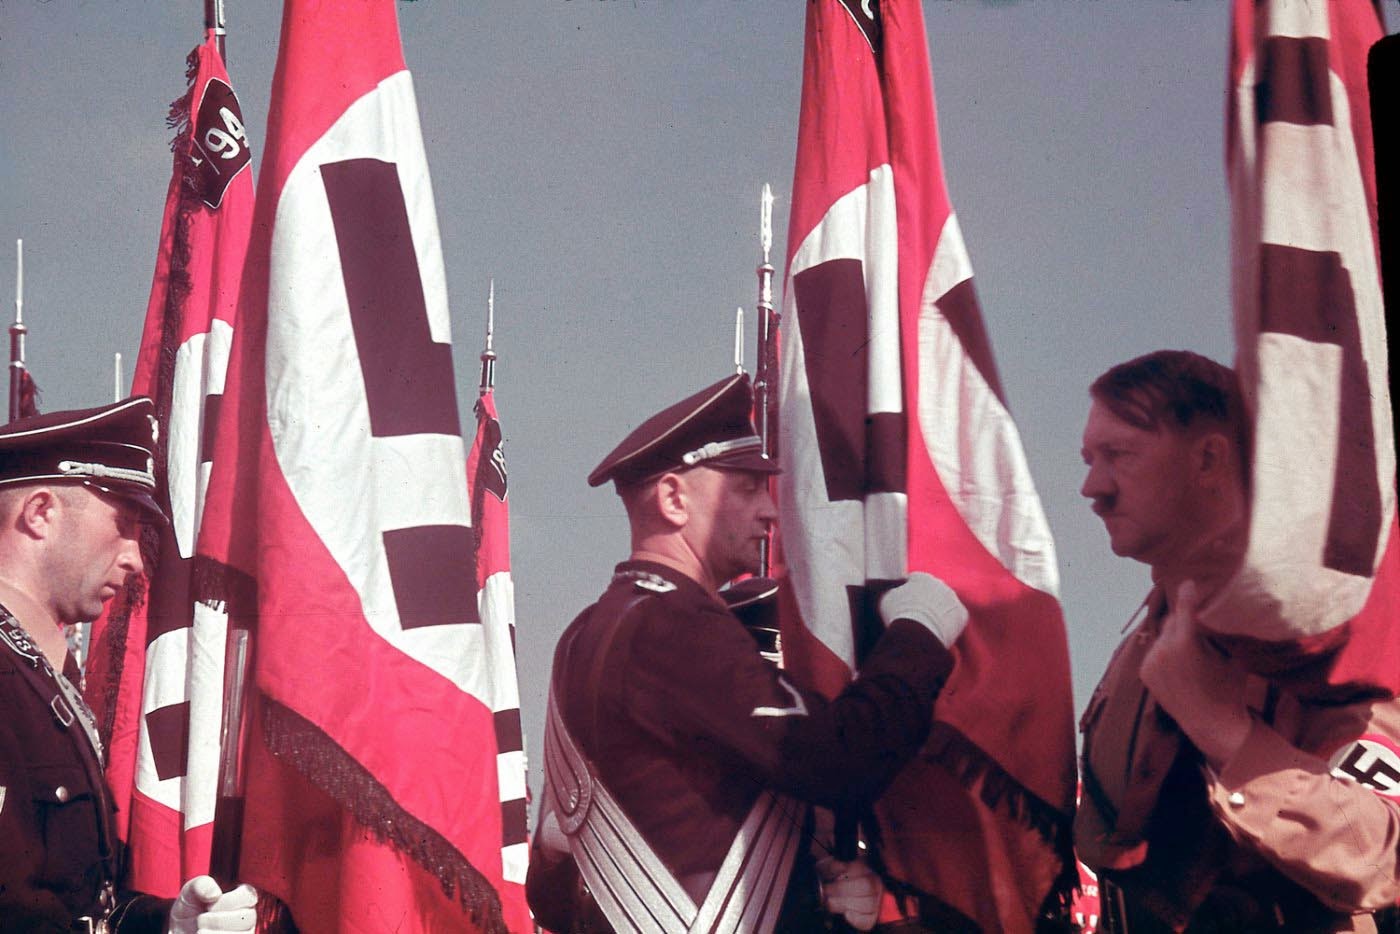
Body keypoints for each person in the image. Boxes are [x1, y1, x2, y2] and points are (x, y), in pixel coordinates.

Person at [525, 373, 970, 933]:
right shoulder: (675, 625)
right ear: (672, 498)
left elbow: (553, 892)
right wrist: (919, 633)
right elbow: (841, 759)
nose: (770, 511)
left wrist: (806, 882)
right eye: (745, 487)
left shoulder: (581, 636)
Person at [1074, 350, 1400, 933]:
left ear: (1208, 458)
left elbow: (1379, 854)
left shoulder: (1319, 629)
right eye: (1089, 459)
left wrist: (1226, 732)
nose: (1091, 488)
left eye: (1119, 456)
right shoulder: (1145, 641)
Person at [0, 398, 258, 933]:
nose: (136, 559)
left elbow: (79, 901)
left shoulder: (40, 677)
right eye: (123, 524)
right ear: (40, 512)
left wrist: (166, 924)